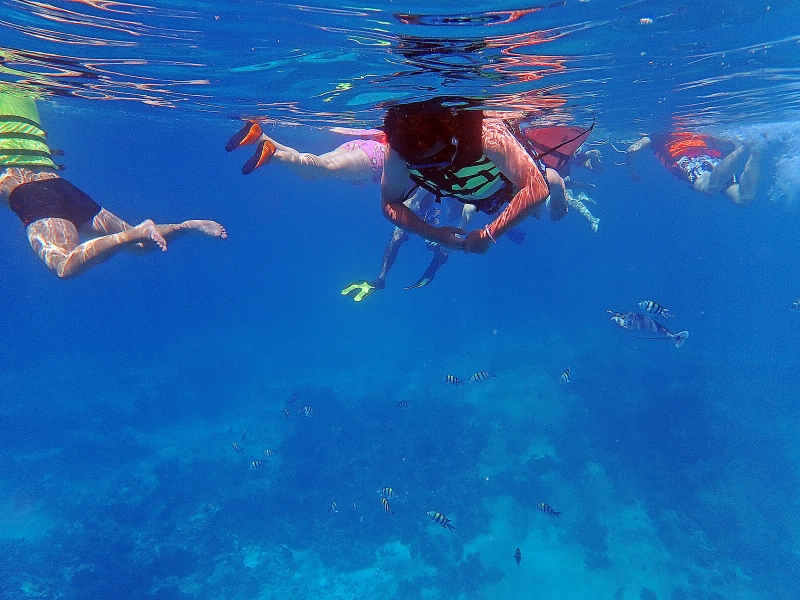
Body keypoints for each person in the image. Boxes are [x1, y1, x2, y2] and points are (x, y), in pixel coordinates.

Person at [225, 120, 477, 299]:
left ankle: (261, 137)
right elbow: (414, 219)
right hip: (377, 158)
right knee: (324, 169)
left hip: (369, 150)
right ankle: (273, 155)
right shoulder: (436, 187)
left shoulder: (438, 181)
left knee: (313, 172)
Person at [1, 91, 227, 279]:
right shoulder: (22, 93)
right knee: (141, 246)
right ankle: (184, 226)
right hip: (59, 184)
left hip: (27, 193)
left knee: (64, 266)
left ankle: (139, 231)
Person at [379, 97, 566, 256]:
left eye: (441, 155)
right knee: (515, 203)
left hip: (502, 179)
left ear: (451, 132)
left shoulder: (484, 130)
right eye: (424, 160)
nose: (438, 164)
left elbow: (536, 187)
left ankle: (560, 189)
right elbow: (389, 203)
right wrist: (433, 234)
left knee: (549, 183)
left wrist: (489, 234)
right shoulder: (398, 149)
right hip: (469, 189)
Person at [625, 132, 761, 205]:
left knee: (710, 189)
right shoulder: (696, 131)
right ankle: (756, 150)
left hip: (687, 160)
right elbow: (725, 143)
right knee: (743, 199)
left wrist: (632, 171)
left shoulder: (655, 136)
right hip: (713, 157)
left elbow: (632, 149)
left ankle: (746, 149)